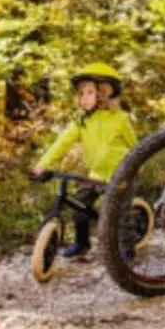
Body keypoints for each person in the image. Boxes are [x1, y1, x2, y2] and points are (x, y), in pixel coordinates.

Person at [30, 63, 137, 259]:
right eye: (81, 93)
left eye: (89, 92)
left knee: (120, 213)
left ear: (104, 94)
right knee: (78, 204)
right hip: (96, 175)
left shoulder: (120, 119)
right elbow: (61, 143)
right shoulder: (81, 121)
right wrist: (43, 164)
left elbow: (135, 147)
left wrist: (136, 167)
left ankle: (126, 247)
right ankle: (81, 242)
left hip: (121, 175)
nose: (83, 97)